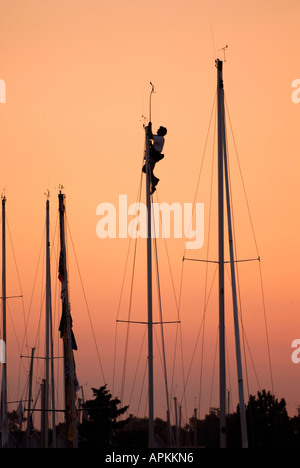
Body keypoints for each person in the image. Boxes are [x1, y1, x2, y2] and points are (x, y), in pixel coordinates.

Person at [142, 122, 167, 194]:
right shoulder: (159, 137)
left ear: (161, 132)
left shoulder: (160, 138)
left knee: (148, 169)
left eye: (159, 130)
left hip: (153, 156)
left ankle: (154, 182)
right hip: (152, 155)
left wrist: (150, 127)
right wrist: (148, 128)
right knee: (145, 169)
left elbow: (150, 136)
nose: (157, 130)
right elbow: (150, 135)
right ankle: (154, 183)